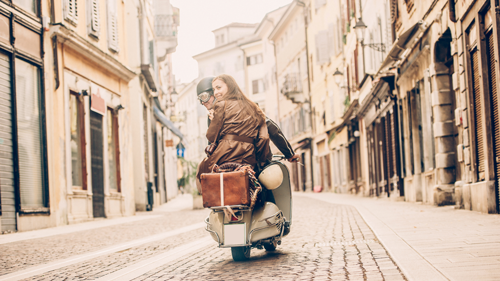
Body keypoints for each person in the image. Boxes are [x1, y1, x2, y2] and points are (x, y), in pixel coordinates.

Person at [196, 76, 299, 163]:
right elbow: (272, 129)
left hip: (229, 166)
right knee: (272, 180)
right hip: (255, 162)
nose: (202, 102)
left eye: (204, 97)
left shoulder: (217, 115)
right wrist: (289, 154)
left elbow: (211, 146)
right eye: (200, 99)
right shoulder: (245, 106)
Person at [196, 74, 271, 182]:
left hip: (225, 156)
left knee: (202, 174)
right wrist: (261, 161)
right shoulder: (254, 107)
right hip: (249, 158)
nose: (216, 92)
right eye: (214, 90)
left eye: (218, 88)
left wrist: (214, 121)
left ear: (229, 86)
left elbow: (211, 137)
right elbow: (264, 138)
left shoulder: (221, 105)